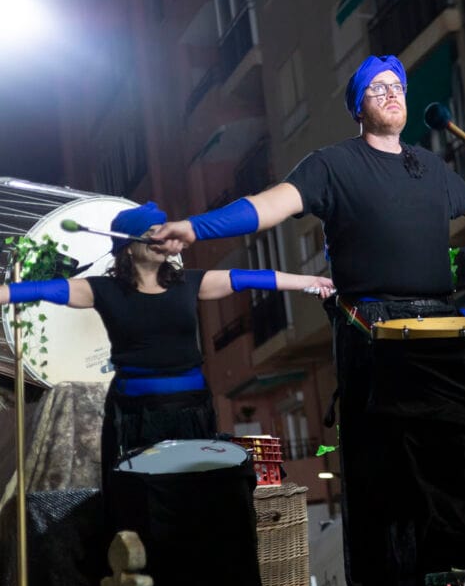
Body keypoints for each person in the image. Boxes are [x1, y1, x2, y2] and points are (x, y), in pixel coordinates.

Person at [147, 55, 465, 586]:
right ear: (359, 106)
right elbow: (268, 206)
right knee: (381, 465)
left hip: (440, 326)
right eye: (378, 88)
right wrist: (197, 227)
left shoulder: (430, 167)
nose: (393, 94)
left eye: (398, 86)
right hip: (373, 327)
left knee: (460, 459)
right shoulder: (330, 165)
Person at [0, 201, 334, 483]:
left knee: (192, 499)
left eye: (164, 230)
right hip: (135, 419)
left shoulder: (190, 283)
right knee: (143, 502)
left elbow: (251, 278)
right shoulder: (101, 289)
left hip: (190, 414)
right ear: (127, 246)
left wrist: (311, 281)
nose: (162, 238)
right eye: (151, 233)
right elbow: (37, 289)